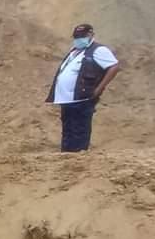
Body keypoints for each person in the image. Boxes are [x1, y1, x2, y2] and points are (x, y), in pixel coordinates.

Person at [45, 23, 121, 152]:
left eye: (81, 36)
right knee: (68, 128)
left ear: (91, 35)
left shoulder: (99, 50)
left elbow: (114, 67)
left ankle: (78, 154)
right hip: (67, 99)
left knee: (80, 128)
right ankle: (67, 154)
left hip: (82, 98)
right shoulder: (75, 51)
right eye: (76, 37)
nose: (78, 39)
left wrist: (99, 89)